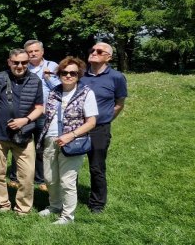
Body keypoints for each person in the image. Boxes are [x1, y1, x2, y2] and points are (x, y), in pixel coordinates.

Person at [37, 57, 98, 224]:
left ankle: (67, 216)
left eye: (73, 73)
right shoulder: (54, 91)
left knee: (67, 180)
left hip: (72, 142)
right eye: (65, 72)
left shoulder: (86, 93)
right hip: (51, 139)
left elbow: (91, 122)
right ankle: (55, 205)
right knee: (50, 178)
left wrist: (71, 135)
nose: (69, 75)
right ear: (59, 74)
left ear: (79, 75)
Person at [0, 49, 45, 215]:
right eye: (16, 62)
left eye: (24, 62)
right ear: (9, 62)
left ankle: (23, 208)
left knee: (27, 175)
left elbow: (39, 107)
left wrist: (24, 121)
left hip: (24, 134)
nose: (20, 66)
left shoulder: (35, 81)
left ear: (28, 63)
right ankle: (2, 204)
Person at [78, 42, 128, 214]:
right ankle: (68, 198)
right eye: (92, 50)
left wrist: (105, 119)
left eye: (100, 51)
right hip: (77, 128)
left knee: (96, 167)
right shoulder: (80, 75)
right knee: (71, 165)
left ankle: (97, 204)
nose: (94, 52)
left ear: (109, 57)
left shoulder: (116, 77)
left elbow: (119, 104)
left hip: (99, 129)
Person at [7, 40, 59, 191]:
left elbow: (60, 89)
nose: (33, 54)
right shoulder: (22, 66)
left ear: (42, 52)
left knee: (42, 146)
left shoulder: (52, 67)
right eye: (30, 52)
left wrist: (48, 78)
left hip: (45, 113)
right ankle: (15, 177)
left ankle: (40, 178)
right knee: (19, 142)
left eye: (36, 51)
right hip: (25, 112)